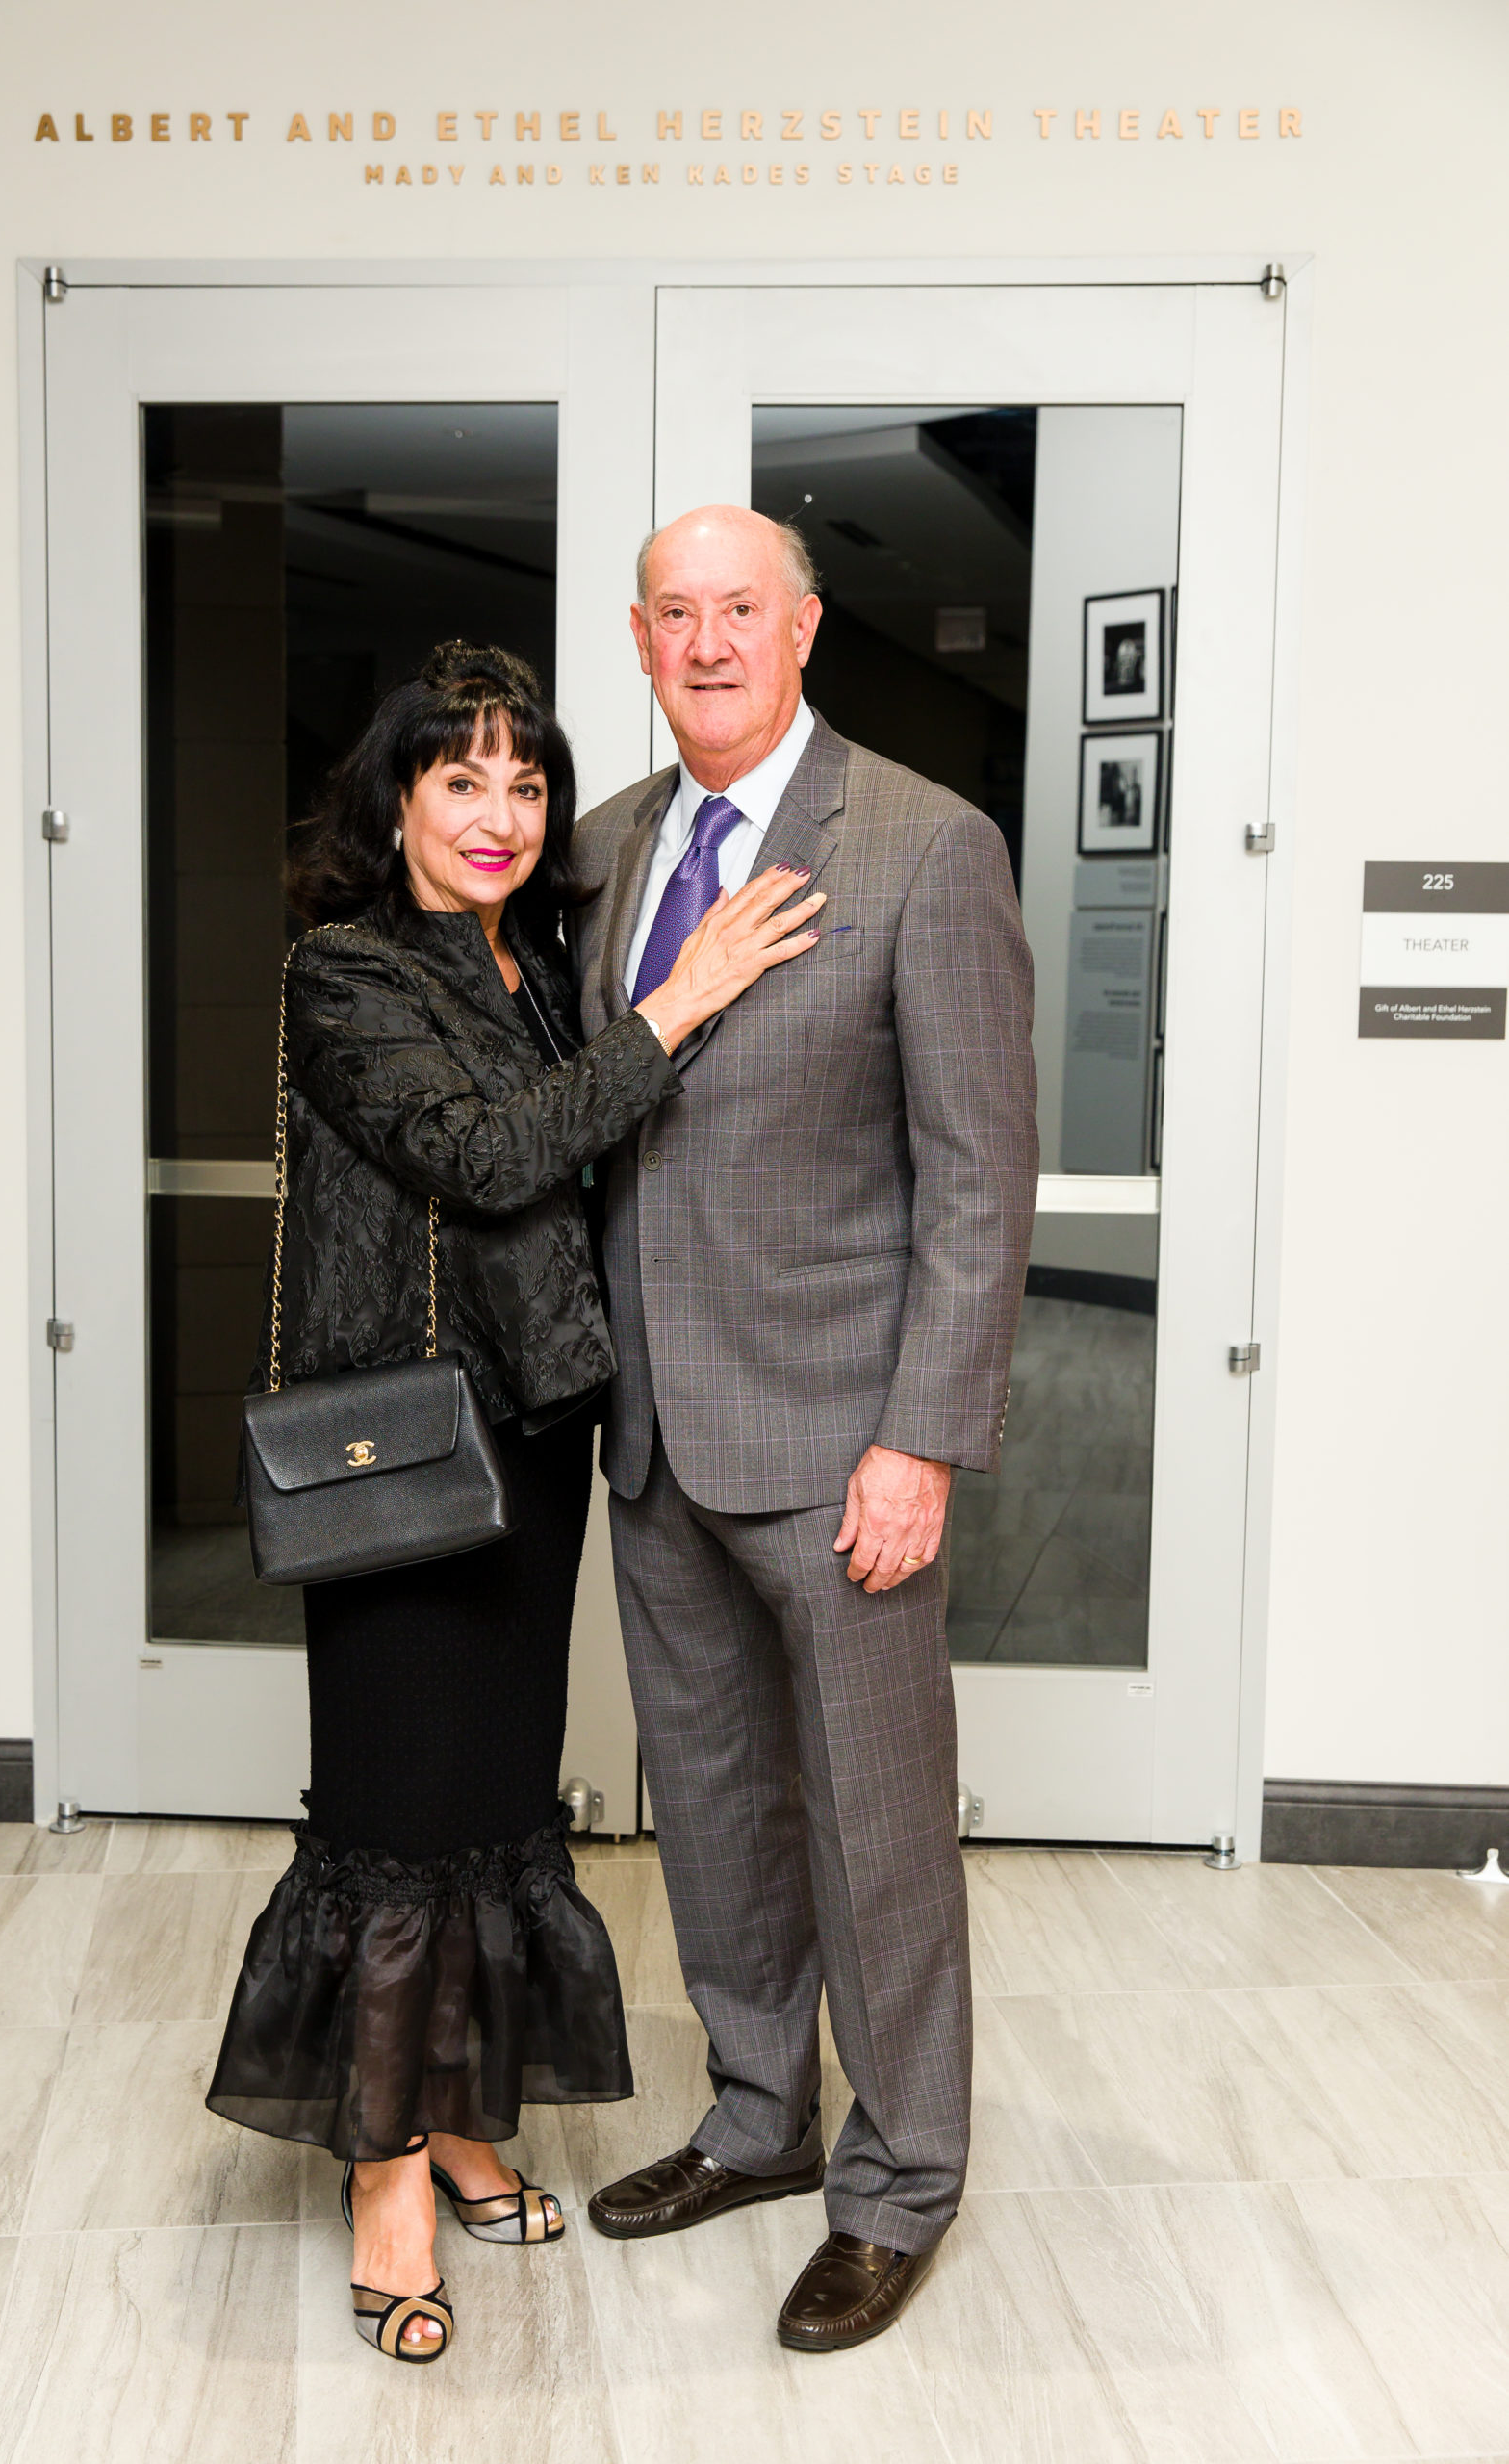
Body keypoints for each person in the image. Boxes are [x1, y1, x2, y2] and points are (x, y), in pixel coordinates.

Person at [205, 640, 825, 2364]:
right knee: (397, 1810)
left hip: (535, 1440)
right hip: (397, 1456)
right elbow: (487, 1155)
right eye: (457, 778)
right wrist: (683, 997)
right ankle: (386, 2169)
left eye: (524, 781)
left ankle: (461, 2113)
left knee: (488, 1795)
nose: (495, 815)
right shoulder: (343, 972)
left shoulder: (545, 956)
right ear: (394, 798)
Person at [573, 511, 1038, 2351]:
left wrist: (922, 1436)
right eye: (676, 613)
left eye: (739, 610)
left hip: (846, 1442)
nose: (708, 641)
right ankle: (759, 2116)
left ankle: (901, 2177)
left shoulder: (925, 844)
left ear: (805, 626)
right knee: (711, 1811)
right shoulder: (602, 849)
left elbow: (981, 1178)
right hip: (654, 1438)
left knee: (878, 1828)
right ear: (638, 637)